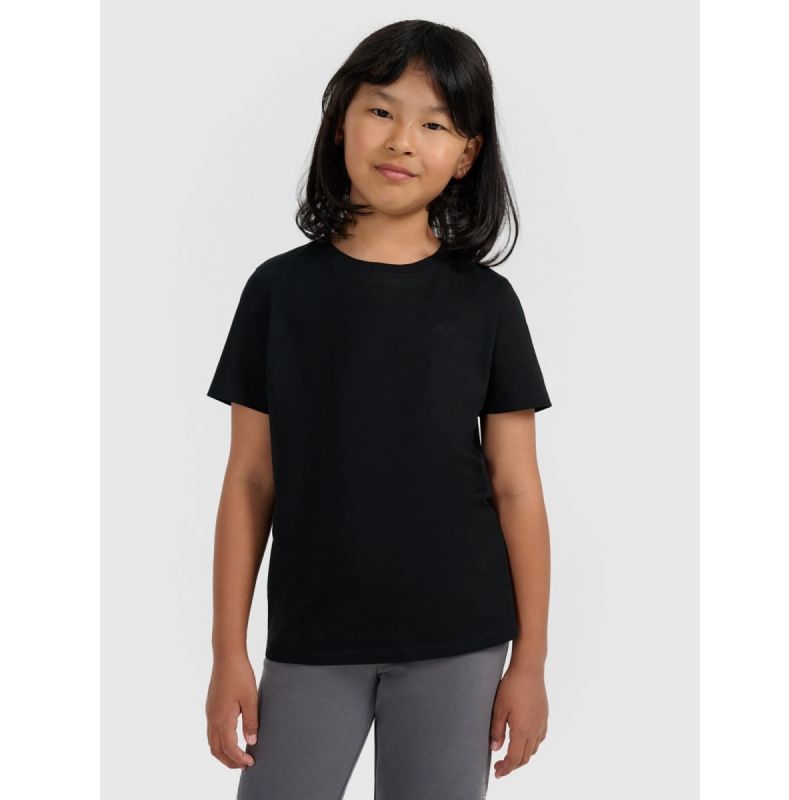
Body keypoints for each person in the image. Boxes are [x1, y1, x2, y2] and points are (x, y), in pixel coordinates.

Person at [205, 19, 553, 800]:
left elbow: (517, 489)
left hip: (459, 638)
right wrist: (229, 652)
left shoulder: (488, 305)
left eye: (435, 124)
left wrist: (529, 663)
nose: (402, 141)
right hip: (311, 637)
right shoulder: (278, 292)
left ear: (466, 154)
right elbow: (250, 480)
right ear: (340, 124)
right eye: (382, 111)